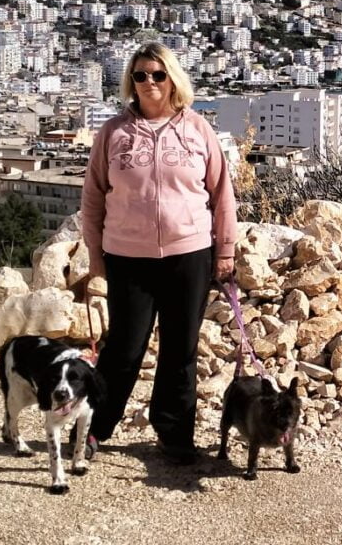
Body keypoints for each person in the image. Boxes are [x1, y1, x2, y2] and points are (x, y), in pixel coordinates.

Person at [79, 41, 237, 464]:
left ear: (172, 80)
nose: (149, 81)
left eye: (157, 74)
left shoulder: (197, 129)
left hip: (190, 253)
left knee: (180, 350)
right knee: (124, 348)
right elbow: (93, 198)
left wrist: (225, 251)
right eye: (140, 75)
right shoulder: (113, 133)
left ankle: (174, 433)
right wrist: (95, 256)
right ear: (131, 82)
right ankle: (93, 428)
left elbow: (222, 193)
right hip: (127, 256)